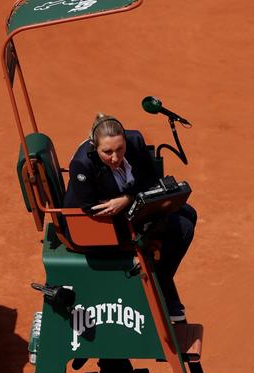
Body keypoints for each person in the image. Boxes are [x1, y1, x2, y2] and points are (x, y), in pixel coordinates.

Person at [64, 113, 197, 322]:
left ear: (125, 139)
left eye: (120, 149)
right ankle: (159, 285)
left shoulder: (135, 141)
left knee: (189, 212)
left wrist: (127, 199)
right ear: (94, 146)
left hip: (126, 208)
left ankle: (160, 280)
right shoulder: (82, 163)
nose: (115, 157)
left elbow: (152, 178)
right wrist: (130, 203)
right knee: (182, 227)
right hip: (96, 224)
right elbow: (90, 208)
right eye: (107, 152)